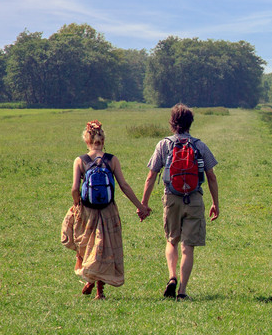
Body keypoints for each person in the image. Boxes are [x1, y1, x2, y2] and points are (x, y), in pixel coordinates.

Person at [61, 120, 151, 300]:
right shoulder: (112, 160)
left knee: (88, 245)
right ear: (103, 140)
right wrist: (140, 207)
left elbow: (73, 188)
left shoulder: (80, 160)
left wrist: (76, 204)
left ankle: (90, 278)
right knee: (104, 248)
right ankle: (99, 291)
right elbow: (124, 185)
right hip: (109, 210)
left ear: (87, 140)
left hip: (88, 210)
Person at [141, 104, 219, 301]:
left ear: (172, 123)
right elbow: (211, 176)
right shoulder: (200, 145)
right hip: (194, 199)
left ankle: (172, 277)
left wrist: (144, 203)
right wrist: (215, 203)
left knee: (171, 240)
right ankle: (182, 292)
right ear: (190, 123)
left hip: (171, 198)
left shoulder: (164, 145)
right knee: (188, 247)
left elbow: (151, 176)